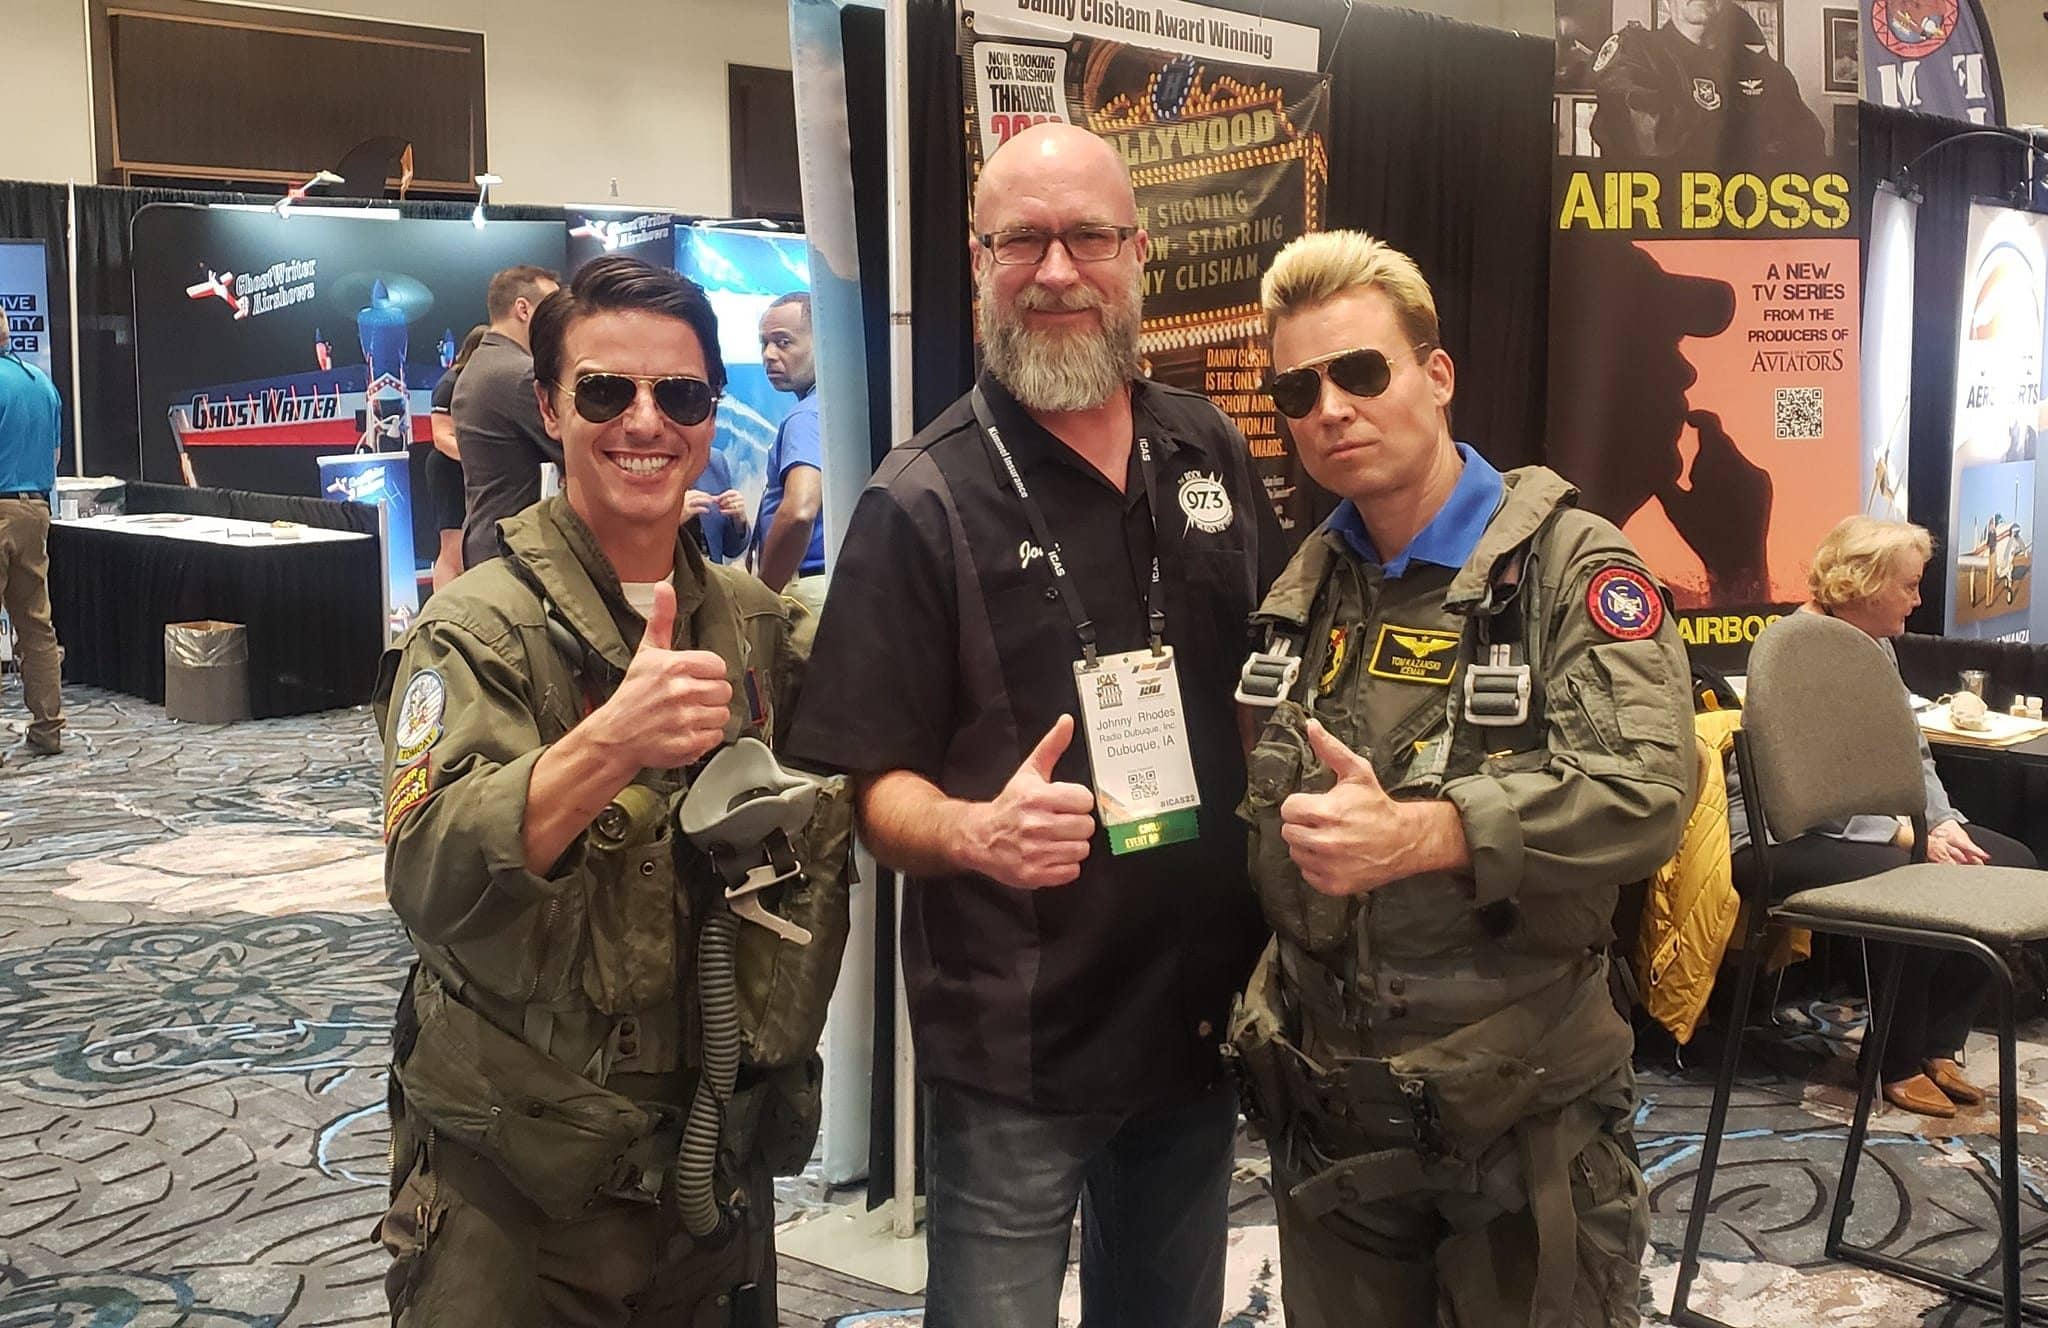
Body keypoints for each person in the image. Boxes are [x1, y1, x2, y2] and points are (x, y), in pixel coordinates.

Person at [784, 122, 1285, 1328]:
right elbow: (868, 788)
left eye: (1087, 237)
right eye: (1022, 241)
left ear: (1137, 254)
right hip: (1019, 1044)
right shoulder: (919, 498)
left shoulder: (1204, 446)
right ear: (979, 263)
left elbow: (1266, 677)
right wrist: (973, 832)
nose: (1056, 270)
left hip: (1194, 1012)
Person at [1230, 229, 1695, 1325]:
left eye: (1360, 372)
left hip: (1516, 1123)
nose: (1330, 409)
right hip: (1332, 1120)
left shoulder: (1569, 568)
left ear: (1436, 376)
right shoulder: (1308, 586)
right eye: (1298, 389)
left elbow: (1645, 795)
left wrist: (1431, 832)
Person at [373, 255, 844, 1325]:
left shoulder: (752, 624)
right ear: (549, 408)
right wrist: (606, 746)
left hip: (707, 1167)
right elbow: (428, 874)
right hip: (520, 1182)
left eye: (678, 394)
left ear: (708, 414)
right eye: (603, 391)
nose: (644, 422)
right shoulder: (476, 630)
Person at [1726, 515, 2039, 1118]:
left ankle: (1936, 1043)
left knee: (2010, 861)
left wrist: (1941, 822)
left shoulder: (1875, 645)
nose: (1918, 601)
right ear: (1863, 583)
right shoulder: (1795, 650)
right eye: (1909, 586)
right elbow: (1798, 789)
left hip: (1882, 829)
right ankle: (1892, 1059)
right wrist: (1905, 835)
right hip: (1782, 836)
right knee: (1908, 876)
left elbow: (1911, 754)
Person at [1591, 0, 1825, 160]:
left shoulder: (1768, 72)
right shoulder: (1633, 52)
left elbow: (1809, 148)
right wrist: (1754, 137)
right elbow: (1654, 143)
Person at [455, 263, 560, 569]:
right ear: (523, 309)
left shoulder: (480, 364)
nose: (560, 322)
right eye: (552, 311)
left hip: (487, 538)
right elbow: (577, 452)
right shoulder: (519, 375)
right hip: (515, 548)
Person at [0, 345, 64, 759]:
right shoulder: (42, 384)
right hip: (34, 510)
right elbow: (54, 456)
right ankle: (47, 729)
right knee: (36, 625)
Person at [750, 293, 826, 613]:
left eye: (783, 342)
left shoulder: (806, 416)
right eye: (764, 343)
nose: (769, 355)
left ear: (822, 342)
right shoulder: (831, 408)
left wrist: (762, 595)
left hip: (802, 593)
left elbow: (800, 510)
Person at [425, 324, 486, 592]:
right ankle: (444, 610)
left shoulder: (483, 385)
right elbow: (441, 437)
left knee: (471, 547)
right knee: (452, 548)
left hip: (473, 472)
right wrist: (480, 458)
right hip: (448, 468)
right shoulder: (450, 383)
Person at [684, 446, 750, 563]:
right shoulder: (655, 463)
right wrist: (673, 518)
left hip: (708, 571)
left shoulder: (715, 460)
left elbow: (732, 549)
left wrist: (739, 522)